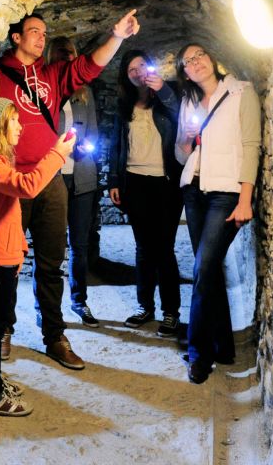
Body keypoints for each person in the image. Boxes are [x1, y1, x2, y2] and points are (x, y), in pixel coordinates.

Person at [0, 9, 139, 370]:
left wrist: (117, 36)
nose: (42, 38)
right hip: (12, 181)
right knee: (8, 262)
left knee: (50, 262)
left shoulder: (51, 75)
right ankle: (2, 328)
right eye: (34, 32)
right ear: (16, 37)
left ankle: (54, 335)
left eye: (45, 33)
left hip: (50, 179)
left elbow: (89, 66)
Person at [0, 98, 75, 415]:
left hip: (4, 256)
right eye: (15, 121)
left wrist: (19, 250)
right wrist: (57, 155)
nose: (21, 127)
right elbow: (30, 186)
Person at [174, 43, 261, 384]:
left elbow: (251, 146)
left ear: (211, 58)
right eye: (188, 62)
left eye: (199, 56)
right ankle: (223, 346)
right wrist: (186, 141)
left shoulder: (242, 92)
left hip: (226, 195)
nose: (195, 63)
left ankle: (199, 353)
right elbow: (183, 156)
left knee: (202, 269)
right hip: (193, 191)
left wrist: (245, 198)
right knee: (207, 271)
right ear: (185, 72)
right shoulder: (188, 103)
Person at [108, 50, 185, 339]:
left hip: (166, 182)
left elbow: (180, 114)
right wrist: (114, 179)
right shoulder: (123, 105)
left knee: (164, 248)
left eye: (142, 64)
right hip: (135, 181)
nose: (137, 70)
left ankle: (171, 311)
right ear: (126, 75)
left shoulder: (169, 94)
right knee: (143, 247)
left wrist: (162, 88)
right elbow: (116, 144)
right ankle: (145, 306)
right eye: (131, 68)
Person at [47, 37, 101, 328]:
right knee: (53, 247)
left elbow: (92, 130)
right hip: (52, 175)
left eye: (71, 53)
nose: (66, 58)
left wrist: (86, 146)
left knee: (80, 244)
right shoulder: (44, 91)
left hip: (81, 176)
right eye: (61, 53)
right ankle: (49, 307)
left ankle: (80, 301)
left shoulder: (85, 93)